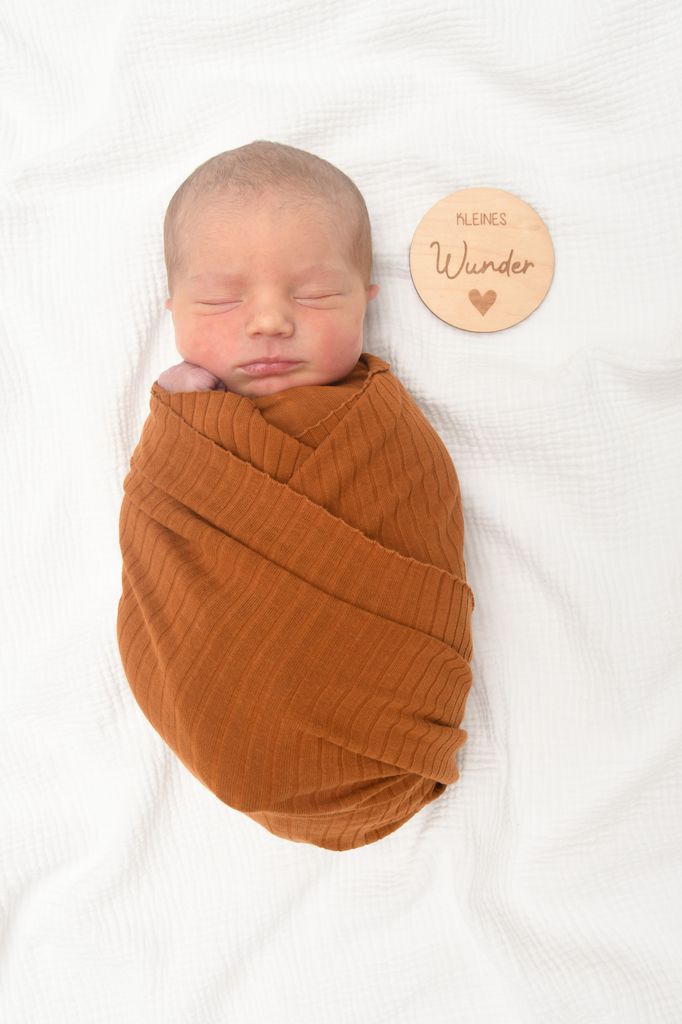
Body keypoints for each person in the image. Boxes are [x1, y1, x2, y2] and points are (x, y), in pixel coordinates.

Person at [156, 139, 380, 398]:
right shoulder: (181, 400)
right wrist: (176, 400)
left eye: (316, 295)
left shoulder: (377, 396)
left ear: (364, 302)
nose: (270, 323)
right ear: (175, 312)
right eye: (219, 300)